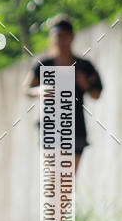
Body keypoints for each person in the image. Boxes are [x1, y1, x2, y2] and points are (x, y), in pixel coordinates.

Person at [24, 14, 103, 173]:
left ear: (72, 37)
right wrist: (40, 91)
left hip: (76, 128)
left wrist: (85, 85)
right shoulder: (44, 64)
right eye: (58, 36)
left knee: (67, 182)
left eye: (65, 36)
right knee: (53, 181)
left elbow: (97, 94)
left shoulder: (84, 66)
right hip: (50, 128)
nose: (62, 40)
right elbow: (26, 90)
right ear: (52, 38)